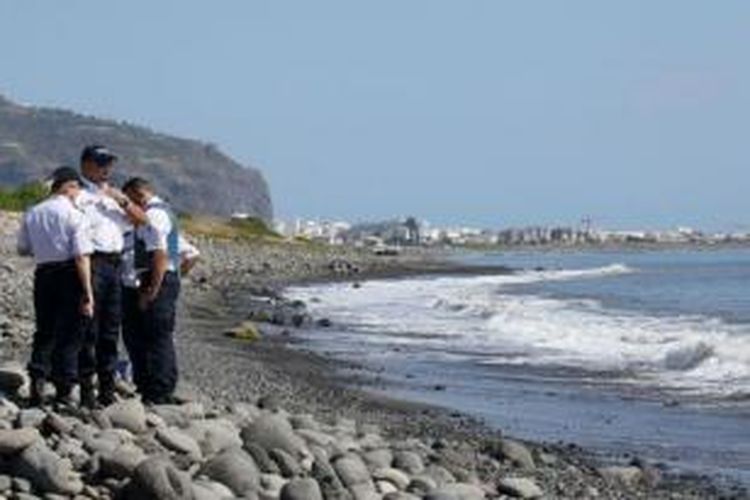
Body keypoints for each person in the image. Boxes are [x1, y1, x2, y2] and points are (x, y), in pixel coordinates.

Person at [17, 167, 95, 406]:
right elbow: (81, 256)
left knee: (45, 331)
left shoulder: (33, 212)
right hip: (69, 272)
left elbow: (23, 248)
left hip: (44, 273)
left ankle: (37, 384)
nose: (78, 193)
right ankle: (63, 391)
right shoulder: (74, 214)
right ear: (67, 186)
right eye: (77, 188)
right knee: (71, 334)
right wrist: (88, 292)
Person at [76, 145, 147, 407]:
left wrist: (123, 200)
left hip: (114, 265)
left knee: (110, 330)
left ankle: (106, 389)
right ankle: (86, 390)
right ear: (86, 164)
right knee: (89, 330)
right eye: (100, 162)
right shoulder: (79, 193)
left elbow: (142, 221)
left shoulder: (113, 195)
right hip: (91, 261)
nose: (106, 168)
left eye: (109, 163)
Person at [121, 177, 182, 404]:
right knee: (146, 335)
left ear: (137, 194)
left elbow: (159, 255)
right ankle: (154, 385)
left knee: (156, 336)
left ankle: (158, 389)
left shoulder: (154, 215)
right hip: (161, 277)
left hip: (156, 277)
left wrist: (152, 290)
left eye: (128, 200)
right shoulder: (163, 212)